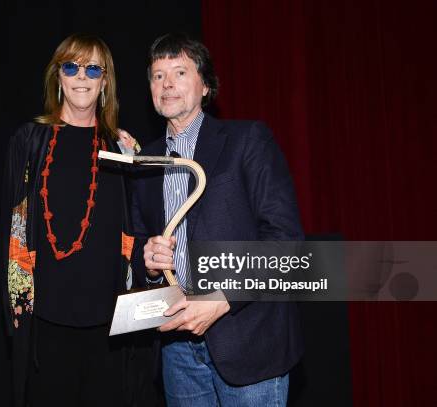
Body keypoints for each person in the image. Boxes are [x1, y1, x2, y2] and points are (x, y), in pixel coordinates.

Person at [130, 33, 304, 406]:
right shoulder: (145, 161)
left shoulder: (247, 140)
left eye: (179, 72)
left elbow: (285, 241)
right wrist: (149, 264)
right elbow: (139, 245)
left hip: (249, 341)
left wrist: (221, 299)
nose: (167, 84)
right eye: (158, 76)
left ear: (205, 85)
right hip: (177, 350)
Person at [0, 33, 140, 407]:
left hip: (110, 326)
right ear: (57, 76)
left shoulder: (122, 147)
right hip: (45, 323)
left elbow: (135, 230)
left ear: (105, 80)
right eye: (71, 66)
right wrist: (18, 308)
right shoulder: (29, 141)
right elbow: (13, 228)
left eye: (93, 68)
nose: (82, 76)